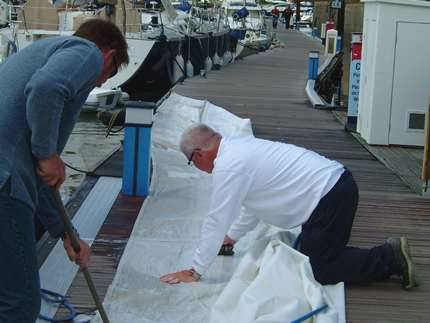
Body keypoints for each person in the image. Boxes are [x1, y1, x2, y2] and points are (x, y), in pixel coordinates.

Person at [160, 124, 416, 290]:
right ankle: (369, 255)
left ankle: (390, 257)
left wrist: (195, 270)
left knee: (320, 268)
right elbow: (251, 204)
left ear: (199, 153)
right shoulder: (238, 149)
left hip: (329, 196)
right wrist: (233, 237)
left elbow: (216, 218)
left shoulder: (229, 165)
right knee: (304, 254)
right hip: (333, 188)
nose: (199, 170)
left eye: (191, 163)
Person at [0, 18, 129, 322]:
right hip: (4, 182)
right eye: (106, 77)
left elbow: (41, 180)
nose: (98, 84)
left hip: (9, 179)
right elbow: (45, 88)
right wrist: (47, 154)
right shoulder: (86, 52)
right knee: (20, 303)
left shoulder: (38, 55)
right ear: (108, 56)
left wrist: (66, 234)